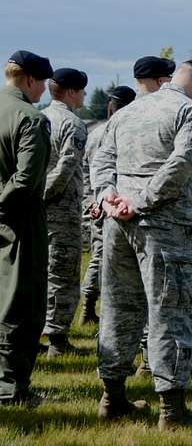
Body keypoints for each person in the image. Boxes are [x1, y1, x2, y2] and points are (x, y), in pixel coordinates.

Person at [91, 59, 192, 428]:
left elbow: (102, 160)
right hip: (166, 227)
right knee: (171, 312)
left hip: (119, 223)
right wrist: (142, 200)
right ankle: (172, 410)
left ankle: (112, 397)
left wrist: (108, 197)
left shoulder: (128, 112)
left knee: (118, 307)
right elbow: (181, 164)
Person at [0, 51, 53, 408]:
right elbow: (26, 180)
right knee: (20, 303)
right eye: (43, 84)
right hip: (17, 222)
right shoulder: (30, 118)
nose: (44, 92)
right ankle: (10, 388)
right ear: (31, 80)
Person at [41, 68, 90, 358]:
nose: (84, 95)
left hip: (35, 209)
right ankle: (57, 339)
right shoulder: (72, 123)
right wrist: (45, 196)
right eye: (82, 91)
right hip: (60, 209)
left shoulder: (40, 116)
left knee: (39, 272)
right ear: (71, 92)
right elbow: (67, 167)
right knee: (62, 274)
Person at [80, 86, 136, 325]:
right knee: (109, 259)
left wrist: (92, 201)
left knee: (98, 255)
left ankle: (89, 307)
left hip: (101, 203)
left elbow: (86, 172)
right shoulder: (129, 131)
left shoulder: (95, 133)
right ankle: (93, 309)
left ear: (110, 106)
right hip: (120, 205)